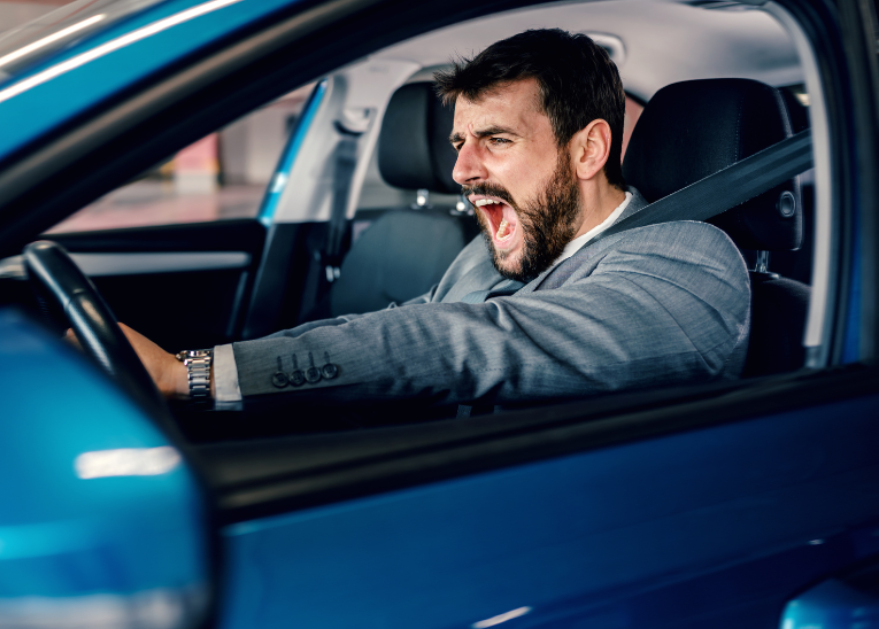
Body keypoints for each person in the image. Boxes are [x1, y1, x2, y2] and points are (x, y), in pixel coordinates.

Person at [117, 28, 751, 408]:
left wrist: (192, 377)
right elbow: (402, 325)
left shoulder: (688, 259)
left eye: (496, 140)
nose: (461, 172)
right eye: (459, 143)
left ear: (587, 150)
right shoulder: (489, 250)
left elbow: (459, 342)